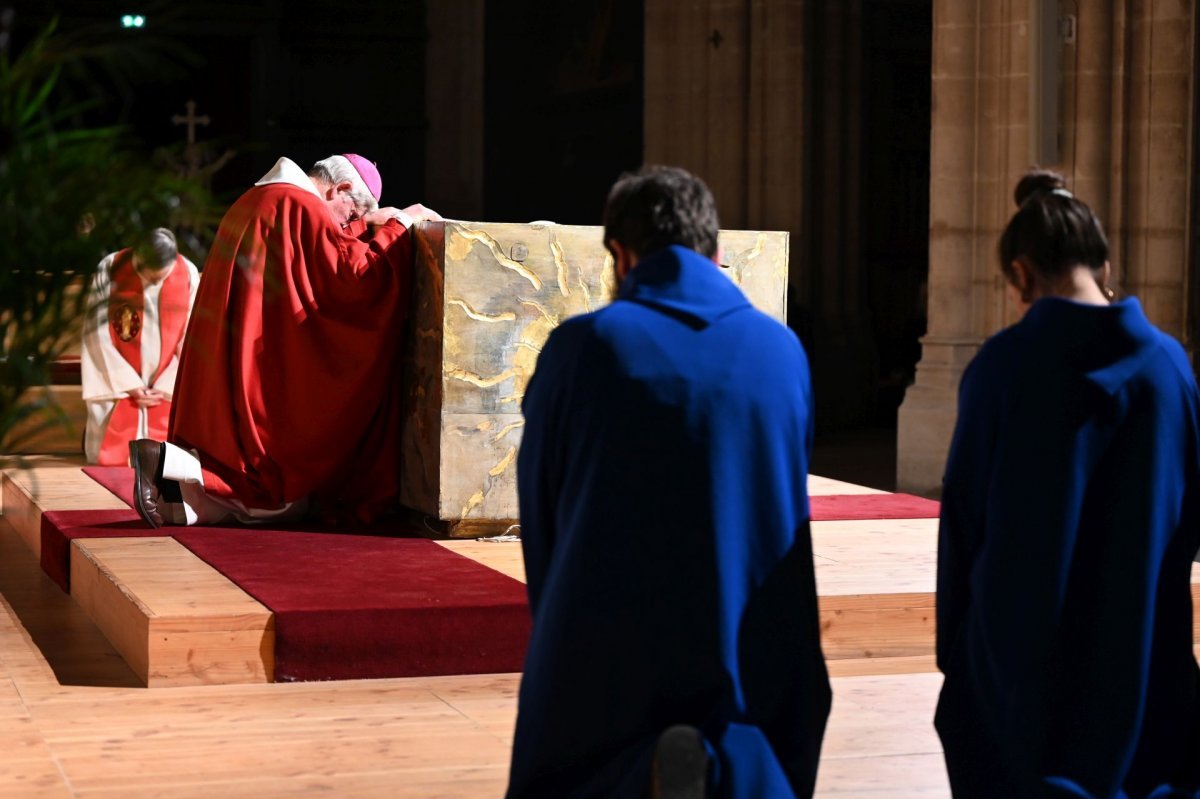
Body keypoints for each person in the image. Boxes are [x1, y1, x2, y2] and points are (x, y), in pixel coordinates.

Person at [507, 166, 831, 798]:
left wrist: (558, 624)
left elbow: (542, 508)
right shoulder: (781, 349)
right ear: (714, 251)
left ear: (621, 257)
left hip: (611, 645)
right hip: (750, 637)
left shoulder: (584, 347)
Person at [935, 170, 1200, 797]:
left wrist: (960, 663)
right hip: (1143, 668)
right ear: (1105, 265)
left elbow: (964, 526)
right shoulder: (1169, 370)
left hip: (1023, 686)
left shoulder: (1001, 368)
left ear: (1022, 275)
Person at [129, 154, 439, 527]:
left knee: (235, 492)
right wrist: (398, 225)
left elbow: (324, 252)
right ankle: (163, 461)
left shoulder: (260, 198)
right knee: (271, 486)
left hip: (230, 355)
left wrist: (370, 225)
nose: (349, 224)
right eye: (353, 214)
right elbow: (351, 276)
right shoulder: (300, 205)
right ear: (340, 189)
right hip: (258, 364)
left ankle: (167, 471)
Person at [80, 228, 199, 465]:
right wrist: (129, 384)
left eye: (160, 278)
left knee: (168, 461)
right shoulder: (111, 267)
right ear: (137, 259)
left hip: (165, 385)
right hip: (119, 383)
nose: (154, 283)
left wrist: (167, 384)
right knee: (111, 459)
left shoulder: (187, 273)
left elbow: (192, 336)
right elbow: (96, 331)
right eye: (150, 277)